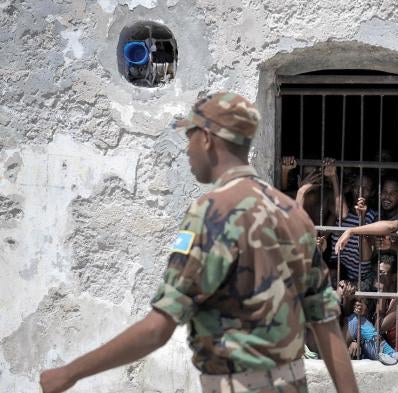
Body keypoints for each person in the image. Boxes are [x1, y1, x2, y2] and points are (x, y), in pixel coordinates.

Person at [39, 93, 359, 393]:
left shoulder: (212, 213)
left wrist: (70, 373)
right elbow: (326, 324)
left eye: (189, 136)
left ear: (207, 138)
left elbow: (158, 328)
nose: (188, 148)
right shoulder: (294, 215)